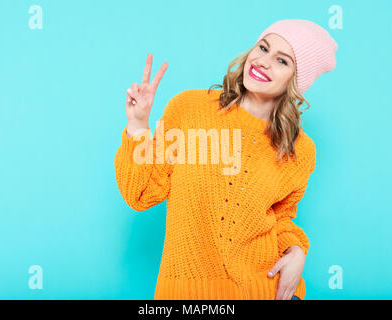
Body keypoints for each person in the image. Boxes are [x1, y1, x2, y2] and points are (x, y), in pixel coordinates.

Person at [115, 19, 338, 300]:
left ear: (296, 81)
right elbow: (140, 193)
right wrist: (138, 125)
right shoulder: (189, 110)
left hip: (264, 291)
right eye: (263, 47)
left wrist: (296, 252)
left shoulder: (299, 149)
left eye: (282, 61)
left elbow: (282, 217)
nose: (263, 61)